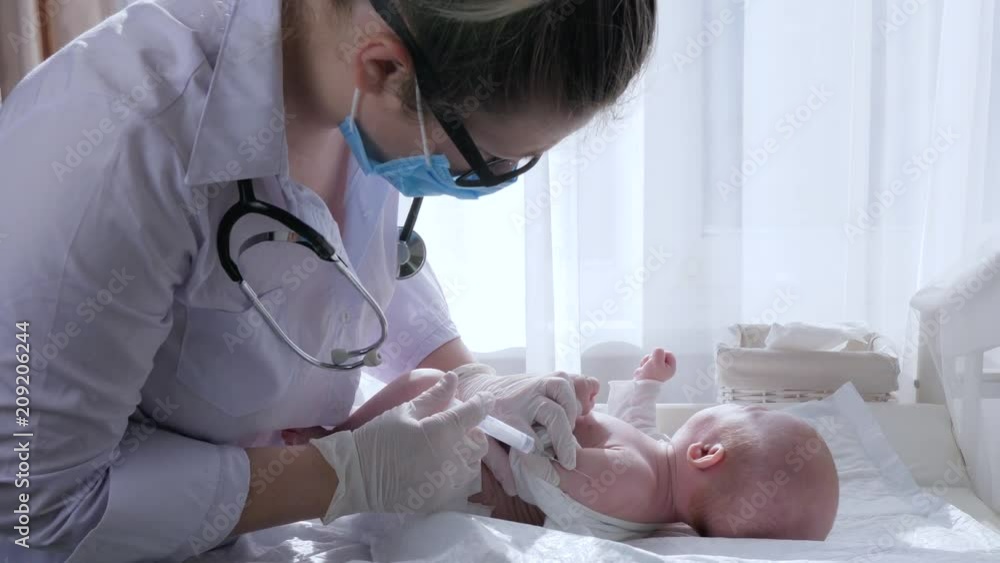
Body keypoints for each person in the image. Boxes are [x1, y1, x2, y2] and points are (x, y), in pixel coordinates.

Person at [0, 0, 657, 561]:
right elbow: (31, 508)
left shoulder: (351, 81)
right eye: (491, 161)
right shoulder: (118, 144)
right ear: (382, 67)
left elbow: (327, 253)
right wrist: (345, 473)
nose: (482, 180)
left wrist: (472, 382)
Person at [304, 349, 840, 541]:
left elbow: (556, 470)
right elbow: (633, 422)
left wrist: (577, 410)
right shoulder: (656, 469)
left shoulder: (635, 482)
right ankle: (344, 439)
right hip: (482, 461)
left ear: (707, 452)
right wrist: (647, 382)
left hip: (471, 479)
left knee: (428, 382)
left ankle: (337, 440)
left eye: (752, 410)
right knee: (436, 385)